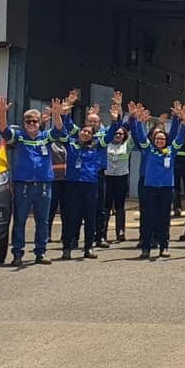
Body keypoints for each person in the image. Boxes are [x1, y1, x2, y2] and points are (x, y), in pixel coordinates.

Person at [54, 101, 120, 260]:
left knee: (90, 217)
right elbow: (63, 129)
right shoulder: (71, 144)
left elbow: (110, 134)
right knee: (71, 216)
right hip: (72, 184)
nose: (85, 133)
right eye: (83, 131)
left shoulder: (97, 145)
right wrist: (63, 113)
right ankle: (67, 247)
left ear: (92, 135)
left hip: (90, 185)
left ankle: (88, 247)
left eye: (88, 132)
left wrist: (115, 121)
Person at [0, 97, 55, 267]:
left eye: (34, 121)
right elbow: (4, 131)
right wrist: (2, 113)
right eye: (28, 121)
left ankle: (40, 252)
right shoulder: (19, 136)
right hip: (23, 185)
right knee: (20, 220)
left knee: (42, 221)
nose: (31, 123)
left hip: (43, 185)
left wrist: (58, 115)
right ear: (23, 122)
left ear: (40, 123)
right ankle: (17, 254)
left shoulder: (46, 136)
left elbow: (59, 130)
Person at [127, 100, 185, 260]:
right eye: (157, 139)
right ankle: (145, 248)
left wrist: (182, 121)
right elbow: (140, 136)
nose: (159, 141)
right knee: (147, 218)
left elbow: (179, 138)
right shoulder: (149, 150)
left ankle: (164, 247)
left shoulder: (171, 151)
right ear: (154, 140)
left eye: (162, 139)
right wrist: (138, 121)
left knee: (164, 219)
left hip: (166, 189)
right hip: (150, 188)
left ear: (166, 140)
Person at [105, 121, 133, 243]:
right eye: (116, 133)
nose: (118, 135)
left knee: (120, 206)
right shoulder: (106, 144)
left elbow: (137, 135)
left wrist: (135, 119)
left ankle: (120, 232)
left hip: (121, 178)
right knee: (106, 206)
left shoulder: (127, 145)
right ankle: (102, 233)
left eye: (121, 134)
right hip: (108, 177)